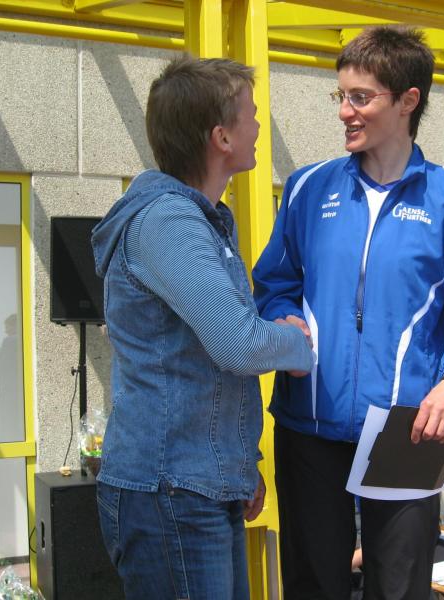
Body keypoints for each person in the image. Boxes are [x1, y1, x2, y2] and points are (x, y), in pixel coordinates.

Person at [252, 26, 444, 599]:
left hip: (407, 432)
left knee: (399, 589)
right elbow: (274, 282)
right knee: (314, 588)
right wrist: (283, 318)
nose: (345, 111)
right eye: (340, 95)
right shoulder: (307, 188)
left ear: (408, 101)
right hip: (308, 427)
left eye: (360, 97)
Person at [90, 53, 313, 600]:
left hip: (196, 486)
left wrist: (241, 464)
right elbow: (239, 344)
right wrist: (299, 343)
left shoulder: (200, 220)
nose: (259, 126)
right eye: (252, 114)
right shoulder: (169, 221)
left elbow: (206, 362)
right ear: (222, 137)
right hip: (169, 489)